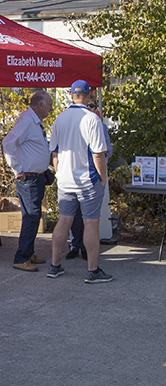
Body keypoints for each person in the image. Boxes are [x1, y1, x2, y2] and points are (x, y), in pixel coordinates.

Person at [48, 80, 111, 283]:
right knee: (90, 224)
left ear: (71, 95)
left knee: (64, 221)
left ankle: (54, 265)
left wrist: (59, 173)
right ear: (90, 94)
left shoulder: (59, 119)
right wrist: (103, 179)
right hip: (87, 180)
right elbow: (98, 154)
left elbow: (54, 153)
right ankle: (92, 270)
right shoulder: (92, 119)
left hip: (65, 180)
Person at [2, 90, 54, 272]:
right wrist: (17, 169)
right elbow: (8, 143)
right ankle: (21, 257)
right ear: (39, 105)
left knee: (32, 216)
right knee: (32, 217)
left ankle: (28, 252)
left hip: (36, 177)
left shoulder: (34, 122)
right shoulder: (26, 121)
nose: (51, 109)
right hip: (29, 178)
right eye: (49, 105)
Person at [66, 97, 112, 260]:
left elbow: (107, 150)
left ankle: (86, 250)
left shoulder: (100, 126)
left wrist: (102, 177)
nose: (90, 108)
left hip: (91, 178)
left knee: (90, 219)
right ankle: (74, 244)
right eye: (88, 105)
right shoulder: (74, 125)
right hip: (73, 177)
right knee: (73, 216)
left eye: (92, 105)